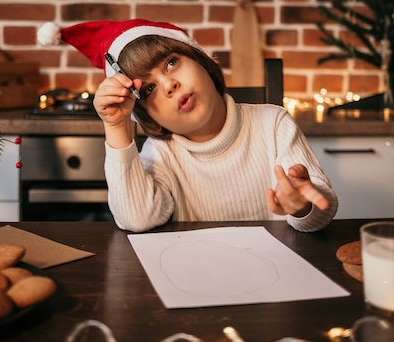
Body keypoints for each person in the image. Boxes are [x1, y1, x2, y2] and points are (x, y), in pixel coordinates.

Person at [38, 19, 338, 233]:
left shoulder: (273, 124)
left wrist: (301, 207)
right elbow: (137, 220)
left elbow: (320, 209)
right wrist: (117, 126)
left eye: (170, 63)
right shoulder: (162, 153)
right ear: (148, 115)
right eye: (148, 89)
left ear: (204, 61)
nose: (169, 85)